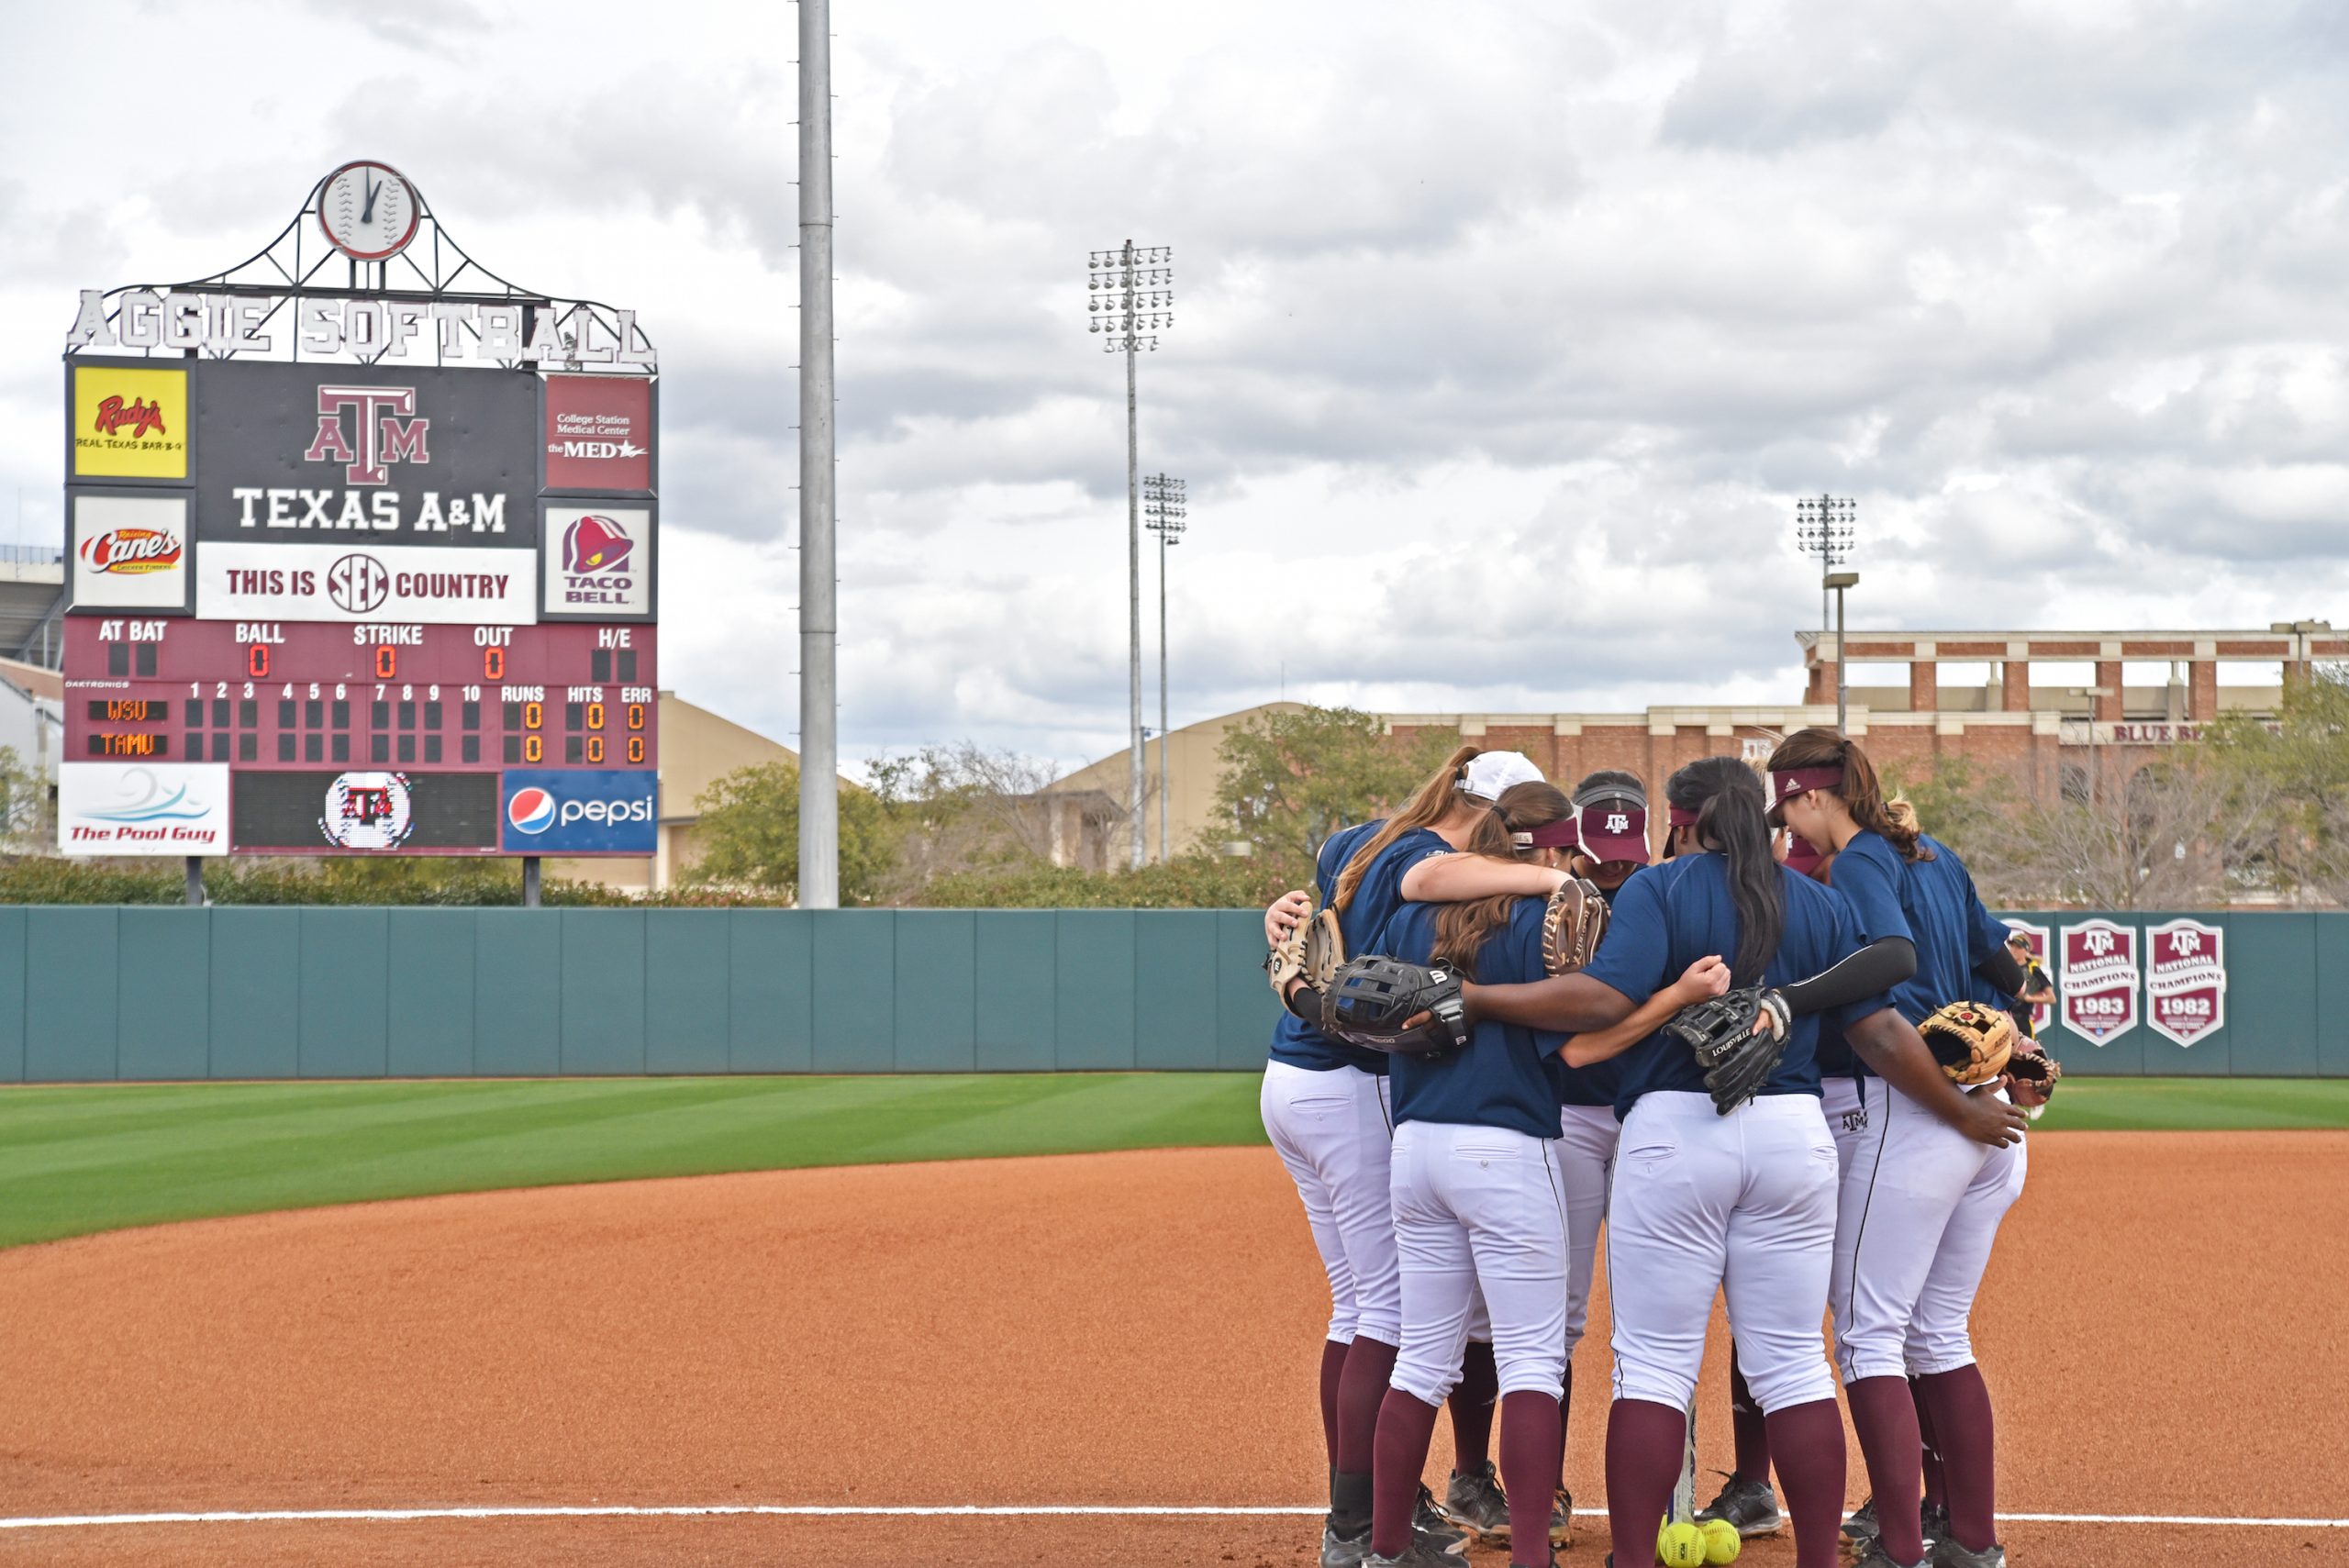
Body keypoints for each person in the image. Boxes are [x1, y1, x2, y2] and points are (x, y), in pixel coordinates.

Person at [1460, 755, 2025, 1568]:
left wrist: (1477, 998)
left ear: (1685, 822)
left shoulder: (1660, 890)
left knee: (1654, 1363)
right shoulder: (1820, 900)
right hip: (1794, 1135)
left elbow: (1604, 1003)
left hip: (1674, 1131)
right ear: (1766, 816)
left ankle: (1634, 1558)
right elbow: (1876, 1028)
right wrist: (1959, 1104)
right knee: (1795, 1363)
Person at [1359, 782, 1724, 1568]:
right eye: (1566, 852)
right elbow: (1588, 1038)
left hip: (1414, 1146)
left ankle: (1381, 1549)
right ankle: (1533, 1555)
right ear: (1551, 853)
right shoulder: (1549, 921)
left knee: (1421, 1356)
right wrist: (1676, 996)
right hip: (1506, 1145)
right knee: (1531, 1357)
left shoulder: (1404, 916)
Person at [1259, 747, 1573, 1568]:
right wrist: (1552, 882)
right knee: (1388, 1317)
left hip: (1294, 1073)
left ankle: (1365, 1509)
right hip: (1350, 1082)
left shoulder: (1361, 838)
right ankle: (1359, 1522)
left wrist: (1279, 915)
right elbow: (1429, 880)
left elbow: (1317, 902)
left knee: (1357, 1306)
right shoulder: (1428, 860)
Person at [1767, 729, 2047, 1568]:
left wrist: (1958, 1111)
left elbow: (1883, 1004)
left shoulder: (1856, 863)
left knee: (1866, 1334)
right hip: (1983, 1118)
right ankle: (1970, 1540)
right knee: (1935, 1334)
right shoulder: (1938, 854)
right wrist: (2026, 1055)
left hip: (1917, 1108)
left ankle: (1900, 1547)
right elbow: (2009, 971)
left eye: (1787, 801)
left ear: (1811, 794)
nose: (1787, 821)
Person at [1439, 777, 1659, 1552]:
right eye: (1595, 858)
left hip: (1639, 1113)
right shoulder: (1536, 905)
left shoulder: (1655, 892)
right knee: (1546, 1320)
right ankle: (1517, 1483)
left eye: (1625, 860)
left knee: (1652, 1315)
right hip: (1559, 1114)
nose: (1611, 873)